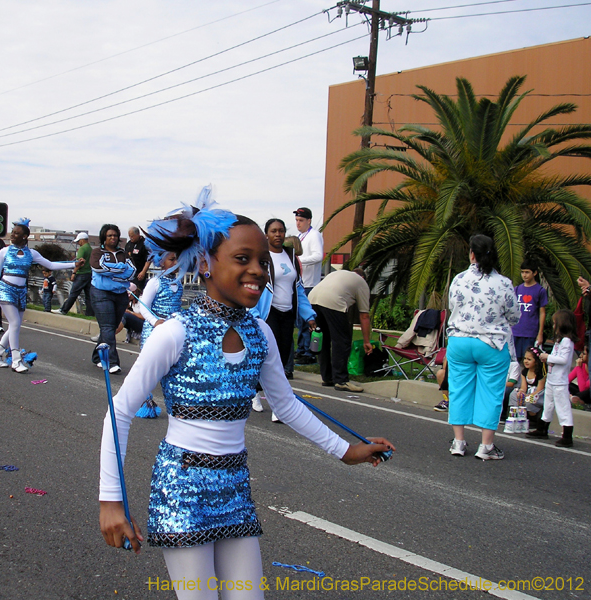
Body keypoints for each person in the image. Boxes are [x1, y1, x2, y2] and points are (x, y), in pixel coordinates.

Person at [98, 189, 394, 598]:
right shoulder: (175, 333)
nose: (257, 270)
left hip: (235, 488)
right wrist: (111, 501)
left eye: (262, 261)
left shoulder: (261, 334)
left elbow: (286, 405)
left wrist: (346, 450)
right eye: (242, 258)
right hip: (183, 490)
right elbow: (119, 411)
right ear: (205, 263)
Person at [446, 234, 519, 460]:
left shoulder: (459, 279)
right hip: (491, 343)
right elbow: (514, 316)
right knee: (491, 393)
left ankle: (458, 442)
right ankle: (486, 446)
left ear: (472, 255)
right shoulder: (503, 283)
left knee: (458, 390)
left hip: (459, 341)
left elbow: (452, 305)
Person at [250, 218, 317, 419]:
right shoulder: (261, 257)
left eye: (281, 231)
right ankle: (259, 394)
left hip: (287, 313)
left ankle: (274, 401)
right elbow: (253, 286)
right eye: (273, 231)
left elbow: (298, 289)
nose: (278, 234)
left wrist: (309, 316)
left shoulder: (291, 257)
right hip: (268, 314)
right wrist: (255, 315)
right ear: (266, 235)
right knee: (269, 356)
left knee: (282, 357)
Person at [0, 219, 76, 373]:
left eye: (16, 233)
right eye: (12, 232)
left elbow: (51, 265)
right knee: (15, 323)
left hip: (21, 291)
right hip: (5, 289)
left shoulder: (31, 253)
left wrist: (74, 264)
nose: (12, 235)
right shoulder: (4, 251)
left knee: (15, 325)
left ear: (25, 237)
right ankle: (16, 360)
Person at [307, 268, 372, 392]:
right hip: (334, 301)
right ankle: (341, 380)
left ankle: (327, 377)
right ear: (363, 278)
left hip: (312, 299)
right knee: (342, 341)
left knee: (323, 339)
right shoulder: (361, 283)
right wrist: (366, 341)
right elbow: (364, 315)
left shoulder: (338, 273)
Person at [89, 224, 136, 374]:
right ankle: (112, 362)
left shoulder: (123, 254)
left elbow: (132, 271)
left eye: (115, 235)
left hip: (120, 295)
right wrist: (121, 269)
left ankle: (97, 356)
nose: (113, 238)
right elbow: (98, 268)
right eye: (110, 235)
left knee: (110, 327)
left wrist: (111, 273)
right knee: (108, 327)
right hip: (101, 293)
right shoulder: (97, 252)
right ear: (104, 237)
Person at [527, 309, 576, 447]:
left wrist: (547, 357)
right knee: (547, 405)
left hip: (560, 381)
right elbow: (556, 358)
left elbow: (563, 359)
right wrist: (546, 357)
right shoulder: (559, 342)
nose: (554, 326)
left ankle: (567, 436)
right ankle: (542, 428)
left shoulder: (567, 341)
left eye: (555, 323)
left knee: (562, 407)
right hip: (552, 379)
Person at [292, 207, 323, 366]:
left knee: (307, 320)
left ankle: (308, 352)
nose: (298, 223)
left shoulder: (314, 235)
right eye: (297, 220)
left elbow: (318, 256)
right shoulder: (300, 236)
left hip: (310, 284)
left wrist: (299, 261)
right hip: (300, 283)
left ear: (309, 221)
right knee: (300, 321)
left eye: (301, 220)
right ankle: (301, 348)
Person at [137, 252, 182, 347]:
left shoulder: (179, 283)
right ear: (161, 262)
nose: (176, 263)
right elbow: (144, 306)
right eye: (171, 259)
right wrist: (154, 321)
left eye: (178, 259)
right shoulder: (155, 282)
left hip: (171, 331)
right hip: (154, 331)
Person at [512, 260, 548, 361]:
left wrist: (540, 334)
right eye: (522, 272)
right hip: (515, 331)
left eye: (527, 272)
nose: (524, 275)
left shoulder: (540, 290)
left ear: (534, 273)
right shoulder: (517, 289)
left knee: (529, 360)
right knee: (514, 361)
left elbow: (542, 312)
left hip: (530, 332)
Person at [57, 232, 94, 316]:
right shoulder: (90, 249)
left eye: (78, 241)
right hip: (89, 274)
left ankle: (63, 310)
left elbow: (78, 263)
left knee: (73, 293)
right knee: (89, 296)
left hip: (81, 274)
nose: (78, 243)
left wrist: (74, 273)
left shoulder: (82, 249)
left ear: (82, 240)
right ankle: (90, 313)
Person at [508, 347, 545, 419]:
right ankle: (514, 415)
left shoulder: (541, 374)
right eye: (525, 358)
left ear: (536, 361)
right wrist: (521, 392)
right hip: (527, 392)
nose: (526, 361)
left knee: (529, 400)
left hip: (537, 394)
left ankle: (531, 415)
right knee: (514, 395)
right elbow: (523, 387)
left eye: (529, 359)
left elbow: (539, 390)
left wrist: (528, 396)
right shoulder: (524, 372)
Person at [125, 227, 150, 291]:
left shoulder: (145, 244)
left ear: (138, 234)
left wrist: (143, 272)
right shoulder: (129, 244)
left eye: (132, 236)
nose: (131, 238)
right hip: (129, 274)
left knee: (137, 292)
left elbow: (149, 260)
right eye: (129, 236)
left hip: (139, 273)